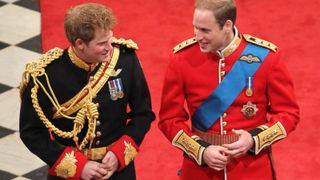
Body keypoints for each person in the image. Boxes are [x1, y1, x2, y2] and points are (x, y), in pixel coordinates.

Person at [158, 0, 299, 179]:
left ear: (227, 25)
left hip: (252, 169)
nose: (197, 36)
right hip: (200, 171)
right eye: (195, 27)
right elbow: (169, 119)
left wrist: (254, 139)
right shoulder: (181, 59)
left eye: (205, 30)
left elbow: (289, 113)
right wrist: (201, 151)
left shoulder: (266, 57)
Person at [19, 2, 155, 180]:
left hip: (118, 171)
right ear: (80, 43)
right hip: (70, 174)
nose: (110, 47)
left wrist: (119, 154)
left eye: (110, 39)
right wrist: (78, 166)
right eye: (102, 43)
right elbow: (31, 133)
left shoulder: (125, 60)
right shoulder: (46, 76)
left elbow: (143, 114)